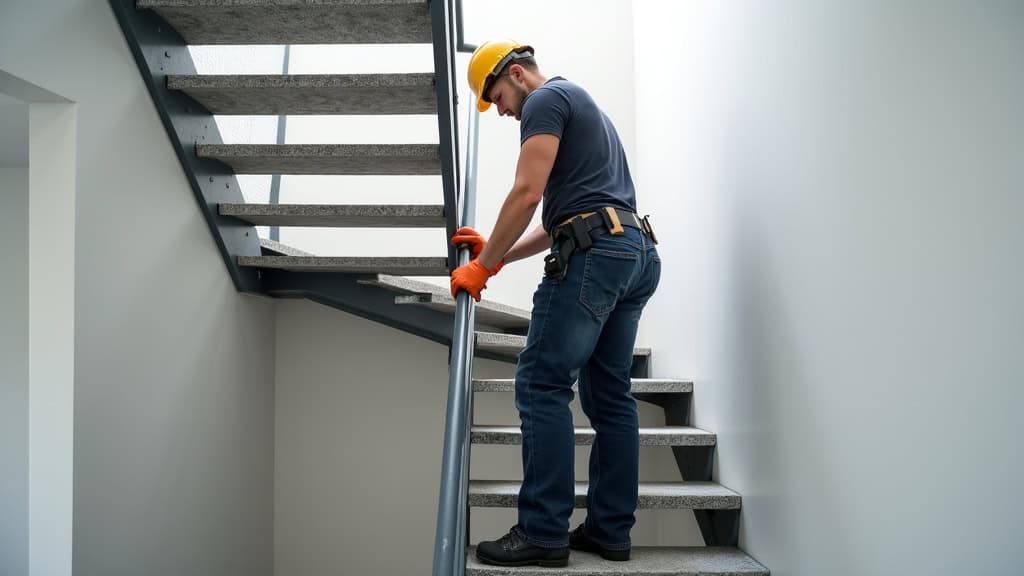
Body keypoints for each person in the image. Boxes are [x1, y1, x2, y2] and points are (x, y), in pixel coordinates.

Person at [450, 39, 661, 568]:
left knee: (541, 383)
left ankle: (543, 532)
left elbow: (526, 192)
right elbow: (553, 224)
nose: (499, 110)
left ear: (516, 74)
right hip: (633, 252)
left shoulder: (545, 101)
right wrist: (493, 259)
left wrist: (478, 268)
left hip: (598, 255)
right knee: (610, 395)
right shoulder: (586, 108)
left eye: (496, 96)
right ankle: (611, 531)